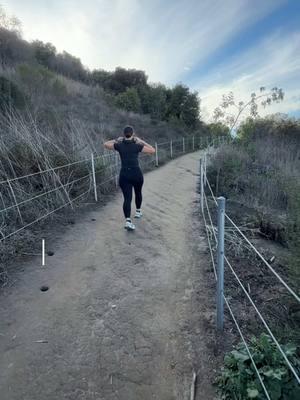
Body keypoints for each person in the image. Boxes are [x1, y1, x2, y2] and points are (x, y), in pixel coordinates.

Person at [104, 126, 155, 231]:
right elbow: (152, 150)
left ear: (124, 134)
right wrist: (141, 141)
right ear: (133, 134)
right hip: (136, 173)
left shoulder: (119, 145)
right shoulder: (137, 146)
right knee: (138, 192)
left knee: (127, 198)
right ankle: (138, 211)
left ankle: (128, 221)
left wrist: (116, 140)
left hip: (124, 174)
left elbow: (105, 144)